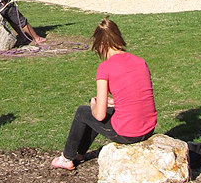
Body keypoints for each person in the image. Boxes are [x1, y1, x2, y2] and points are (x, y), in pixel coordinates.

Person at [51, 18, 157, 170]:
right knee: (104, 109)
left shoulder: (105, 67)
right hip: (148, 128)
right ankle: (79, 153)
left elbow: (99, 115)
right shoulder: (140, 61)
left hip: (129, 133)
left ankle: (66, 157)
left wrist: (94, 104)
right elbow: (136, 94)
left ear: (101, 45)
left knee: (84, 112)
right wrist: (112, 102)